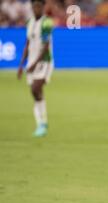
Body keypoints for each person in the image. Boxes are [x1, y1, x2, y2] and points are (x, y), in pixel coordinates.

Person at [17, 0, 54, 137]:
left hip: (45, 62)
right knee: (36, 94)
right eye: (34, 6)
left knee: (35, 88)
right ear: (32, 7)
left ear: (43, 7)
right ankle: (42, 123)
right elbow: (27, 43)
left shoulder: (47, 23)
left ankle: (42, 124)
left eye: (39, 6)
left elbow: (45, 46)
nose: (36, 8)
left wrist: (33, 65)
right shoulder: (29, 22)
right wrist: (21, 65)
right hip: (31, 62)